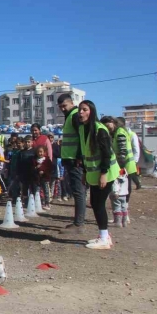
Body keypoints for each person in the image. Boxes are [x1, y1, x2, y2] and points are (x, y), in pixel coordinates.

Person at [78, 100, 118, 249]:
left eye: (84, 109)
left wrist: (104, 173)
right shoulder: (83, 129)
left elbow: (106, 153)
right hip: (93, 173)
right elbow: (85, 153)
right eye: (79, 110)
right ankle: (104, 235)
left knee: (98, 204)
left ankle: (104, 238)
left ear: (92, 111)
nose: (81, 112)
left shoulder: (100, 129)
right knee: (95, 203)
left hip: (105, 173)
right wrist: (84, 172)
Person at [57, 93, 86, 232]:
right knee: (77, 190)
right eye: (60, 107)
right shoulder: (70, 116)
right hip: (70, 159)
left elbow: (82, 137)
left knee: (78, 191)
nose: (62, 109)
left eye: (64, 106)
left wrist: (79, 157)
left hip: (75, 160)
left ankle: (79, 224)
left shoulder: (75, 116)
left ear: (71, 103)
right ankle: (78, 222)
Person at [102, 116, 136, 226]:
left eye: (108, 126)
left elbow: (122, 151)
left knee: (118, 192)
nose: (108, 129)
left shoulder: (120, 132)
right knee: (123, 192)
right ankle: (124, 218)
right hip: (125, 165)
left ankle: (119, 219)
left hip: (123, 165)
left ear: (112, 122)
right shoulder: (119, 132)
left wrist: (119, 168)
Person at [121, 117, 142, 189]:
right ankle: (137, 184)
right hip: (124, 160)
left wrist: (135, 160)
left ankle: (137, 185)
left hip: (130, 160)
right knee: (129, 174)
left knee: (130, 175)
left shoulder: (132, 134)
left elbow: (136, 148)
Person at [31, 146, 53, 210]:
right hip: (37, 178)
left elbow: (50, 168)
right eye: (38, 152)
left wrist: (44, 171)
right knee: (37, 191)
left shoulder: (47, 160)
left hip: (45, 178)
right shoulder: (34, 160)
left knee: (46, 191)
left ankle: (47, 203)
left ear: (44, 152)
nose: (40, 153)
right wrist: (36, 168)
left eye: (41, 152)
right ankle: (38, 203)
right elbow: (32, 169)